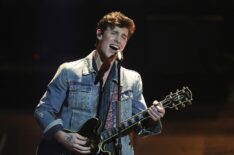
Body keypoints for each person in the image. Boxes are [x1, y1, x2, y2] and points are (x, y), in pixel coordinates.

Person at [34, 11, 165, 155]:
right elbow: (43, 110)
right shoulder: (69, 71)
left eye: (124, 36)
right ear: (99, 34)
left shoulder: (132, 79)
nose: (118, 40)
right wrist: (62, 137)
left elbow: (141, 129)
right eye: (114, 33)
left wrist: (152, 119)